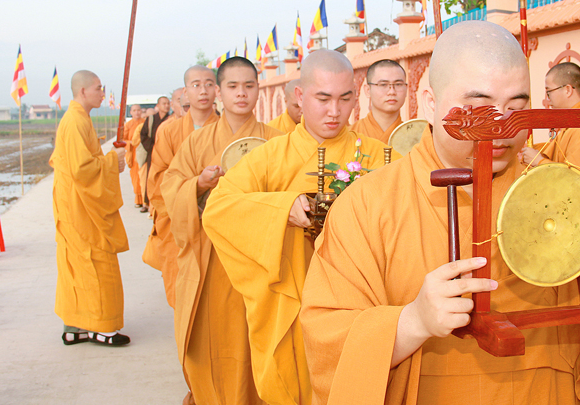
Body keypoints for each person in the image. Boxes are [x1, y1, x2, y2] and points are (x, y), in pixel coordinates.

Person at [299, 22, 580, 405]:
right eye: (479, 107)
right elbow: (325, 341)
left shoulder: (558, 197)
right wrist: (412, 322)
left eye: (517, 107)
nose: (502, 127)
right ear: (429, 102)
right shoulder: (367, 205)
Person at [202, 50, 397, 405]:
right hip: (292, 301)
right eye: (323, 99)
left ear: (356, 96)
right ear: (300, 96)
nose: (334, 111)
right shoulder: (270, 156)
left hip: (358, 301)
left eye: (345, 98)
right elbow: (218, 207)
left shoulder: (378, 156)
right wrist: (280, 208)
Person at [162, 57, 283, 405]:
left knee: (258, 342)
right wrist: (198, 184)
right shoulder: (197, 143)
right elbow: (171, 187)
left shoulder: (278, 141)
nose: (241, 93)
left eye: (249, 86)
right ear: (219, 92)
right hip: (212, 262)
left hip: (261, 262)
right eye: (233, 86)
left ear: (258, 90)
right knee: (212, 343)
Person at [50, 70, 131, 347]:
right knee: (97, 262)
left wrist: (109, 161)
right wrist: (112, 161)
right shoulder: (74, 121)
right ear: (83, 91)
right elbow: (82, 170)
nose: (102, 93)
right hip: (80, 207)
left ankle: (75, 326)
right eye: (98, 88)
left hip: (76, 204)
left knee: (77, 266)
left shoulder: (79, 118)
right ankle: (102, 327)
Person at [143, 66, 219, 308]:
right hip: (178, 225)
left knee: (217, 299)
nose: (203, 91)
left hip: (218, 222)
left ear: (217, 90)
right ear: (186, 92)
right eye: (196, 85)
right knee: (183, 297)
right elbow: (158, 180)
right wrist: (192, 191)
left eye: (209, 84)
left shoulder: (228, 130)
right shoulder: (170, 132)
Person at [518, 62, 580, 219]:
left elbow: (574, 179)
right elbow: (557, 152)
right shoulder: (574, 123)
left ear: (567, 90)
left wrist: (538, 161)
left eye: (549, 92)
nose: (548, 100)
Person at [352, 59, 407, 143]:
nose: (392, 92)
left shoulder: (417, 136)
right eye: (383, 85)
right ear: (367, 90)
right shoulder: (351, 134)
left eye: (398, 84)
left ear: (406, 89)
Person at [140, 97, 171, 212]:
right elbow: (143, 135)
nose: (166, 106)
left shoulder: (171, 119)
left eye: (168, 103)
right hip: (153, 153)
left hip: (167, 154)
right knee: (150, 177)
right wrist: (152, 148)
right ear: (158, 105)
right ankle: (147, 203)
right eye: (164, 103)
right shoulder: (151, 119)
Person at [123, 104, 145, 207]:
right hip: (133, 154)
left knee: (144, 176)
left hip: (143, 152)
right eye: (134, 110)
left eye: (138, 110)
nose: (137, 112)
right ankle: (138, 199)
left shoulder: (145, 123)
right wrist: (130, 143)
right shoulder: (128, 125)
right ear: (131, 112)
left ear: (141, 111)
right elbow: (123, 140)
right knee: (136, 178)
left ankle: (145, 200)